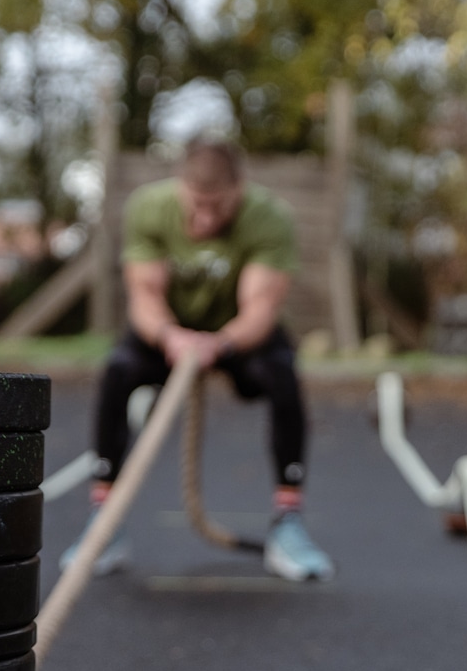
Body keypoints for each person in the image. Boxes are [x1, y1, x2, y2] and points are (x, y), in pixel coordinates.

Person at [61, 134, 335, 581]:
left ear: (239, 190)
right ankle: (104, 522)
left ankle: (289, 522)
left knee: (282, 374)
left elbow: (261, 309)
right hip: (168, 331)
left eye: (219, 206)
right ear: (180, 186)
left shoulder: (268, 218)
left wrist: (219, 343)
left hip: (236, 335)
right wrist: (171, 336)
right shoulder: (149, 208)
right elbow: (144, 296)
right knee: (118, 370)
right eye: (197, 205)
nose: (206, 218)